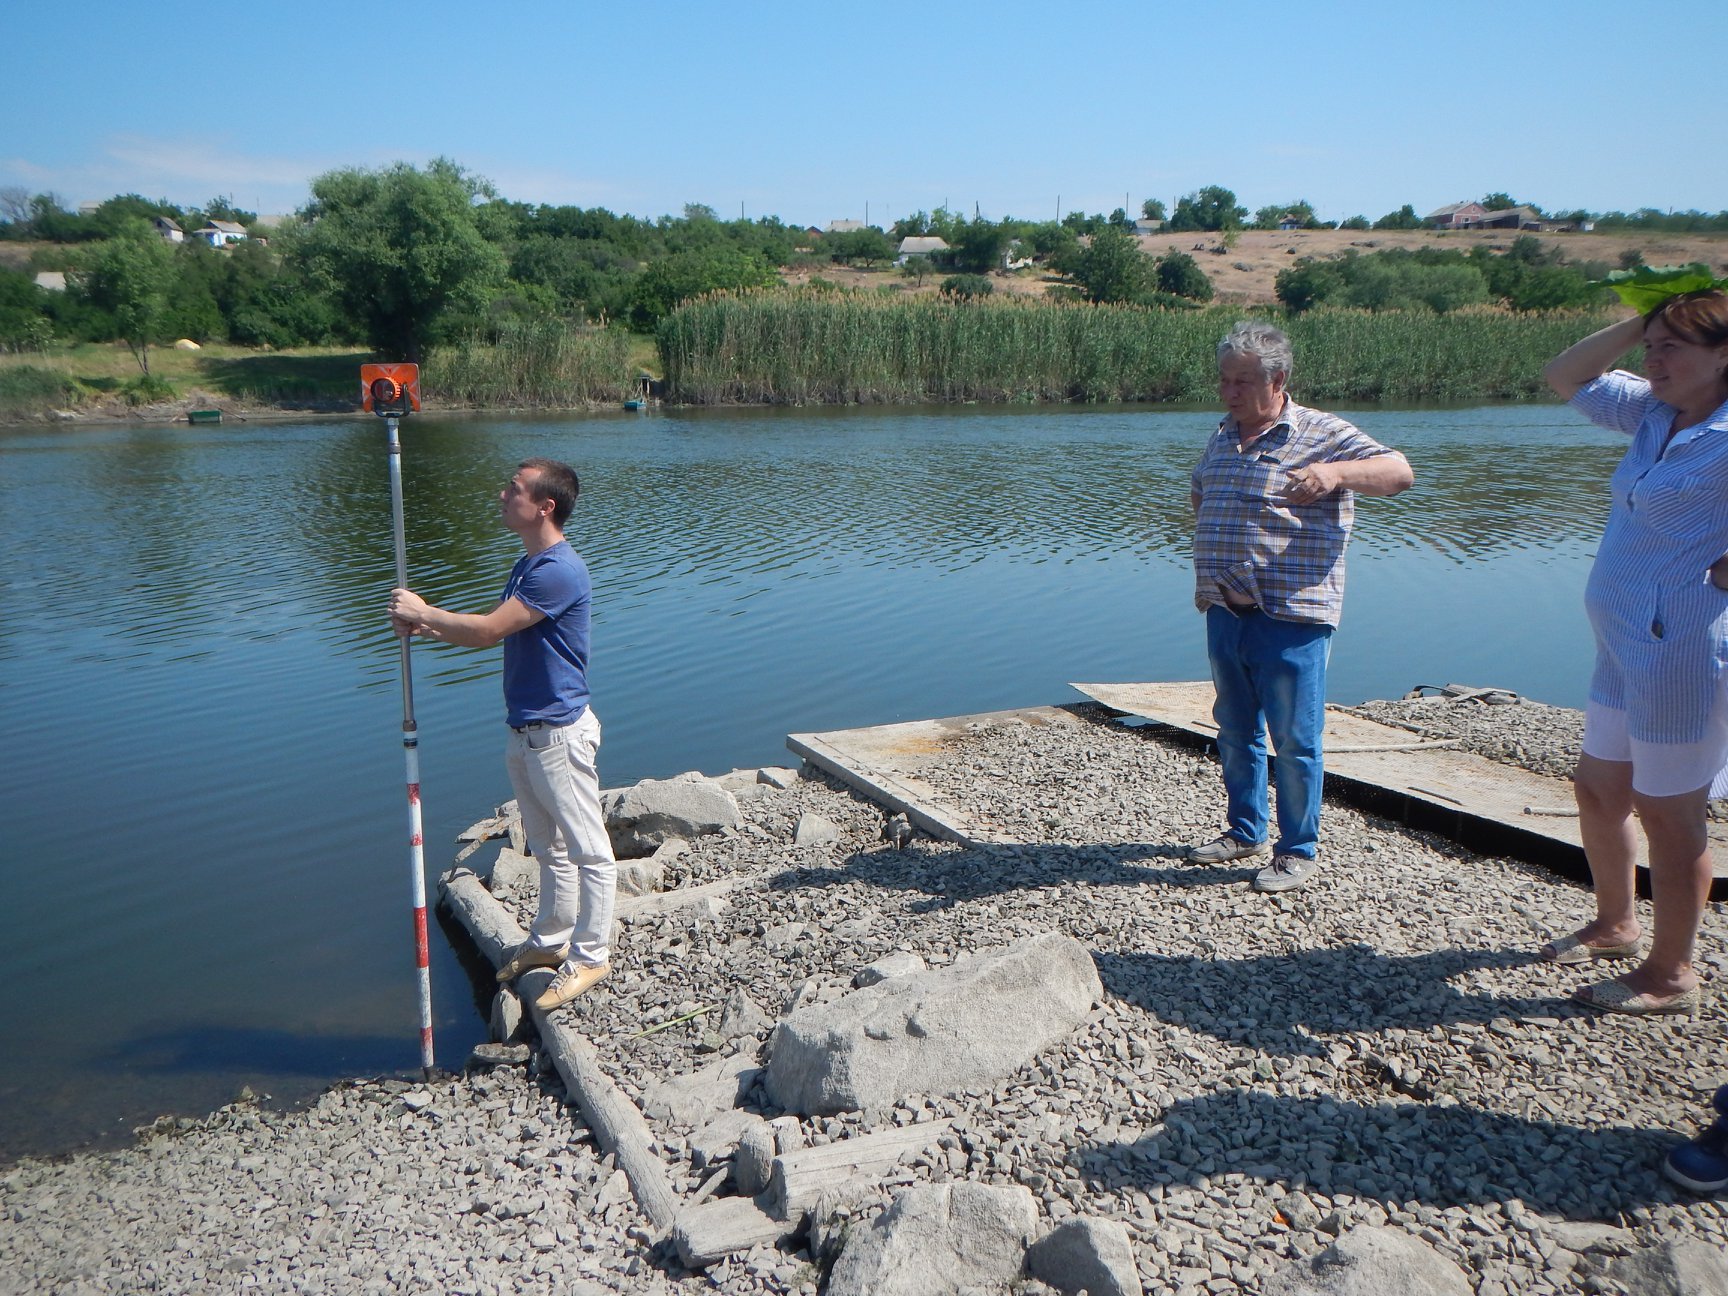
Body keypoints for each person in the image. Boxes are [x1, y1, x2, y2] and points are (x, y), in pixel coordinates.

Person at [1540, 290, 1728, 1015]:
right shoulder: (1654, 411)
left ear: (1724, 355)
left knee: (1669, 812)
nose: (1655, 360)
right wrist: (1642, 322)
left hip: (1681, 650)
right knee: (1598, 788)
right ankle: (1616, 923)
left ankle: (1671, 973)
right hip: (1620, 642)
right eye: (1652, 346)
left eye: (1673, 347)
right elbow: (1565, 375)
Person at [1186, 321, 1414, 892]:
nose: (1229, 392)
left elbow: (1399, 472)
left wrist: (1335, 473)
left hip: (1291, 617)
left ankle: (1297, 851)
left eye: (1242, 382)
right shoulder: (1223, 434)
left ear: (1278, 379)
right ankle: (1245, 832)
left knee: (1294, 740)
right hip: (1225, 612)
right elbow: (1201, 492)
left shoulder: (1321, 433)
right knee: (1234, 731)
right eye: (1224, 380)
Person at [388, 458, 617, 1013]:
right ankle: (550, 939)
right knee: (548, 846)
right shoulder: (527, 565)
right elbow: (488, 630)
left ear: (545, 506)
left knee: (590, 852)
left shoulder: (559, 570)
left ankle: (591, 955)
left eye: (514, 489)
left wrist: (426, 609)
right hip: (526, 730)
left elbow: (489, 631)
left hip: (559, 733)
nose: (502, 495)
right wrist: (426, 625)